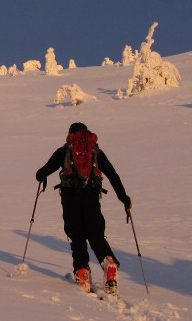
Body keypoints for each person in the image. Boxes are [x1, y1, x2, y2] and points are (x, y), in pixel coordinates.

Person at [35, 122, 132, 293]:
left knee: (77, 237)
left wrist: (42, 176)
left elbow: (42, 172)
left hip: (70, 198)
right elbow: (113, 175)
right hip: (92, 197)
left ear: (70, 135)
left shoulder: (64, 151)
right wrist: (124, 198)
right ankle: (108, 263)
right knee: (96, 236)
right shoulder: (96, 152)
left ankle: (83, 273)